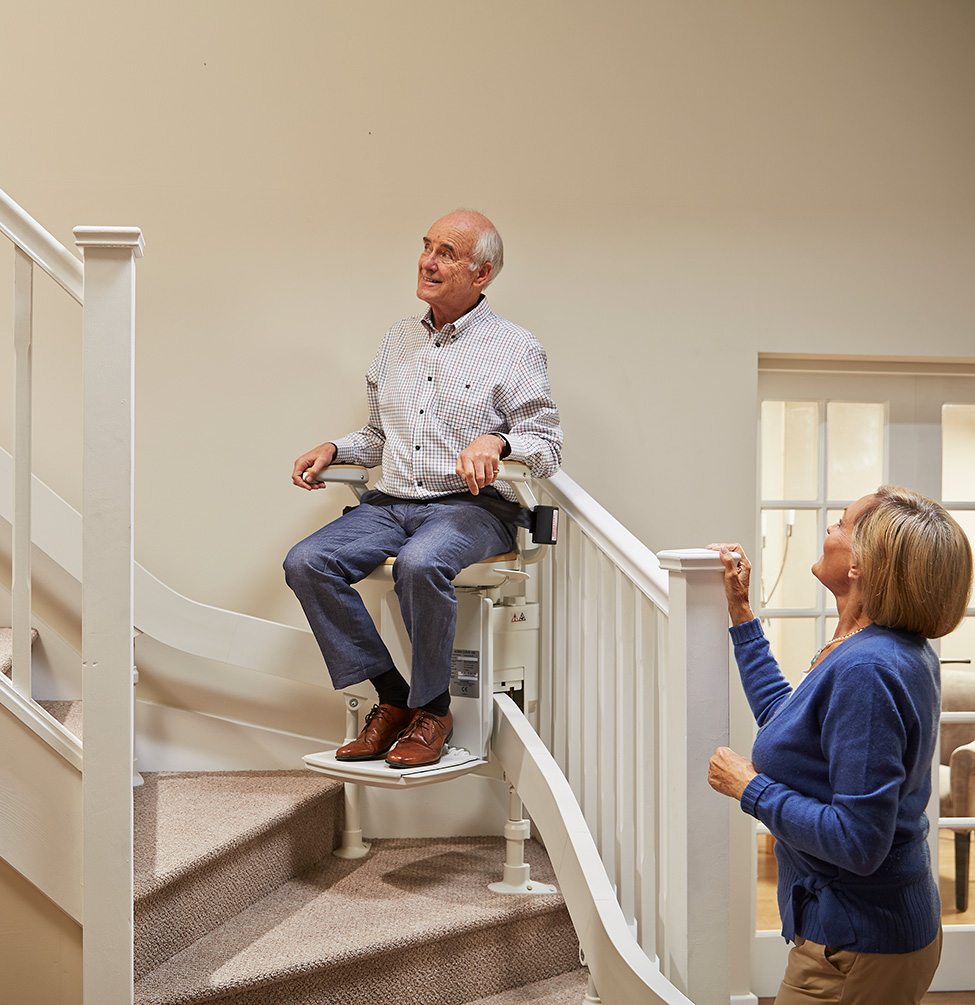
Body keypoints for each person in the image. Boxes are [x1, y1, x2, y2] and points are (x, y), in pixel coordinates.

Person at [284, 210, 562, 769]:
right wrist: (336, 449)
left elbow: (547, 445)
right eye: (427, 247)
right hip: (392, 503)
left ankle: (433, 710)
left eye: (448, 254)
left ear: (481, 274)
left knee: (420, 563)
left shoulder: (514, 346)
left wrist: (498, 444)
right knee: (307, 561)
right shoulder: (396, 342)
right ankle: (393, 698)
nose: (428, 261)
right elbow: (379, 434)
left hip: (472, 508)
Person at [708, 486, 973, 1005]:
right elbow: (785, 724)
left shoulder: (869, 670)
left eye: (843, 524)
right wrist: (742, 612)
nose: (830, 527)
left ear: (861, 564)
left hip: (858, 948)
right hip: (870, 937)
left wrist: (751, 789)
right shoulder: (872, 648)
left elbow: (858, 842)